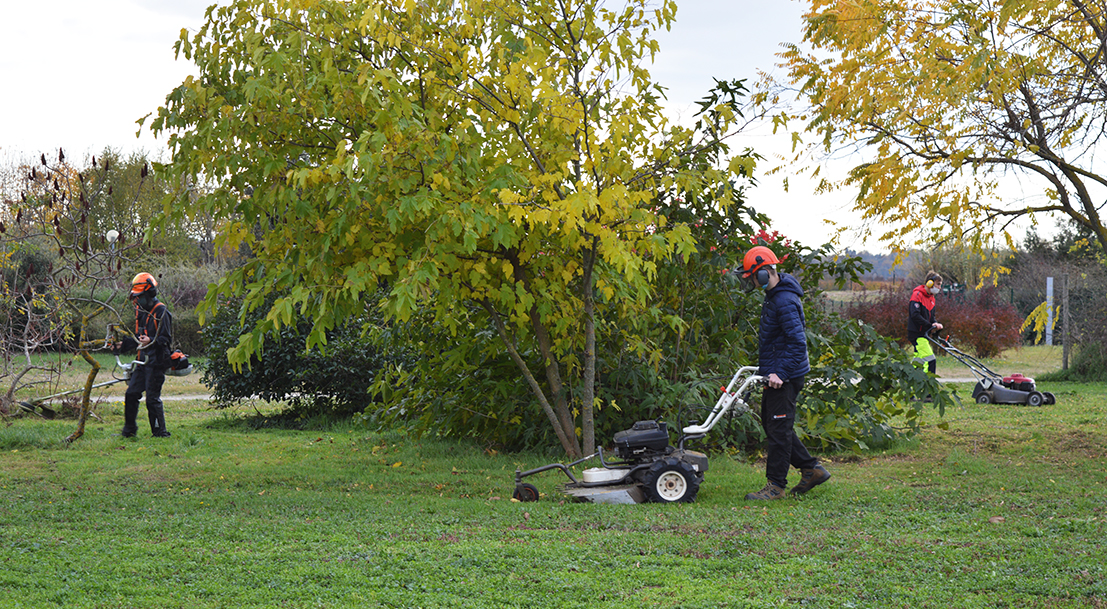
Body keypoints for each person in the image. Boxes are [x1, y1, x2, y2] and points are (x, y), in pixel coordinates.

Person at [740, 246, 831, 500]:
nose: (750, 281)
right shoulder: (774, 296)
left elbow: (797, 343)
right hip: (777, 374)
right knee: (773, 425)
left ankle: (775, 487)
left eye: (752, 276)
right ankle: (812, 469)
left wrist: (779, 372)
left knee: (779, 430)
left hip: (786, 377)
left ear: (764, 273)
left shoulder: (784, 300)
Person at [115, 272, 173, 438]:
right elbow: (138, 339)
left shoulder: (161, 312)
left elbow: (166, 339)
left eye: (139, 297)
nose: (136, 301)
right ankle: (129, 431)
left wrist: (151, 340)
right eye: (135, 297)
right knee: (131, 394)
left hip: (156, 363)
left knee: (152, 399)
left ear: (149, 294)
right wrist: (124, 345)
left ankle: (160, 433)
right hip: (141, 362)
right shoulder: (141, 312)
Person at [908, 271, 944, 374]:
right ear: (930, 283)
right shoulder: (917, 295)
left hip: (924, 334)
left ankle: (910, 382)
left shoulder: (931, 298)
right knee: (930, 360)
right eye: (938, 284)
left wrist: (935, 324)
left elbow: (931, 317)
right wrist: (930, 325)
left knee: (918, 361)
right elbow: (915, 315)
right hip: (917, 334)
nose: (939, 287)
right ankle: (929, 385)